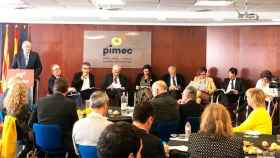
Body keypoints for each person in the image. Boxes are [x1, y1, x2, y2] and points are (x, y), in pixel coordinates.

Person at [29, 78, 79, 157]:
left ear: (53, 89)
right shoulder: (70, 104)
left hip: (41, 143)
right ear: (66, 90)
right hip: (61, 144)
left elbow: (30, 123)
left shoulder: (40, 101)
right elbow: (76, 126)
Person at [3, 77, 32, 157]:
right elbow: (26, 125)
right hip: (20, 135)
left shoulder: (5, 105)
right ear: (23, 92)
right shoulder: (24, 107)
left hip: (9, 135)